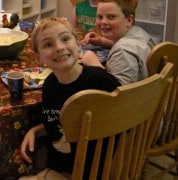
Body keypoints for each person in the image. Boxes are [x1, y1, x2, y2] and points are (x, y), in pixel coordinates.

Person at [20, 17, 120, 179]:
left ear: (79, 45)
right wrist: (35, 130)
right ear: (39, 58)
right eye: (48, 44)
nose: (59, 47)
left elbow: (128, 117)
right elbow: (62, 122)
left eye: (65, 39)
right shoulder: (49, 85)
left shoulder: (98, 80)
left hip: (88, 173)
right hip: (60, 167)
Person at [81, 0, 155, 86]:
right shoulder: (139, 32)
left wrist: (95, 65)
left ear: (129, 20)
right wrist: (102, 41)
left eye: (111, 17)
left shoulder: (122, 50)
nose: (103, 22)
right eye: (100, 17)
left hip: (133, 99)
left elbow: (119, 93)